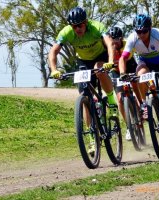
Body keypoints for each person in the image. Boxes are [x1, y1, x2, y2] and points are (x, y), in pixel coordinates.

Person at [49, 7, 118, 154]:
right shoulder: (67, 32)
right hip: (83, 61)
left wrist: (111, 61)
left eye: (80, 25)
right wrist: (54, 69)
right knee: (85, 98)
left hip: (101, 56)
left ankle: (111, 101)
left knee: (99, 68)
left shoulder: (96, 27)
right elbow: (54, 51)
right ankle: (93, 138)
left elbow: (110, 43)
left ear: (86, 22)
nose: (77, 29)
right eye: (74, 26)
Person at [118, 14, 159, 142]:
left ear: (150, 28)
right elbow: (123, 58)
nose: (141, 34)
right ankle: (143, 104)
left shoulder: (157, 33)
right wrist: (122, 73)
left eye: (144, 31)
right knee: (141, 75)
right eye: (138, 31)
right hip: (145, 64)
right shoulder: (133, 38)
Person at [108, 26, 143, 141]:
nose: (114, 42)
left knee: (135, 85)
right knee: (119, 99)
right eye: (112, 39)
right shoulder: (108, 46)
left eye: (116, 39)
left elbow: (139, 51)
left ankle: (141, 105)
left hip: (130, 66)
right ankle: (129, 127)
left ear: (121, 38)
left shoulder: (127, 43)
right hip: (116, 71)